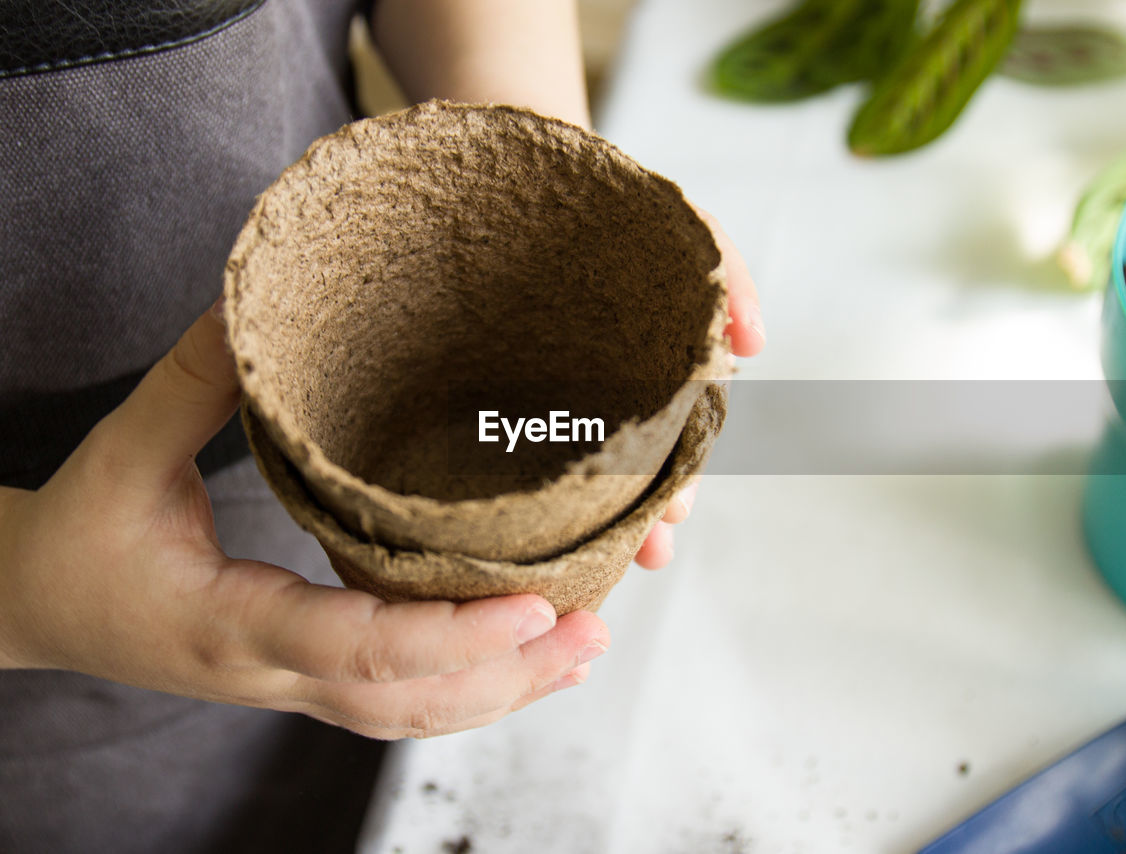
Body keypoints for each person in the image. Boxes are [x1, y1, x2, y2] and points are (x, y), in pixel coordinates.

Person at [0, 0, 765, 850]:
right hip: (48, 682)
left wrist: (523, 153)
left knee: (371, 791)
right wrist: (25, 591)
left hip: (298, 482)